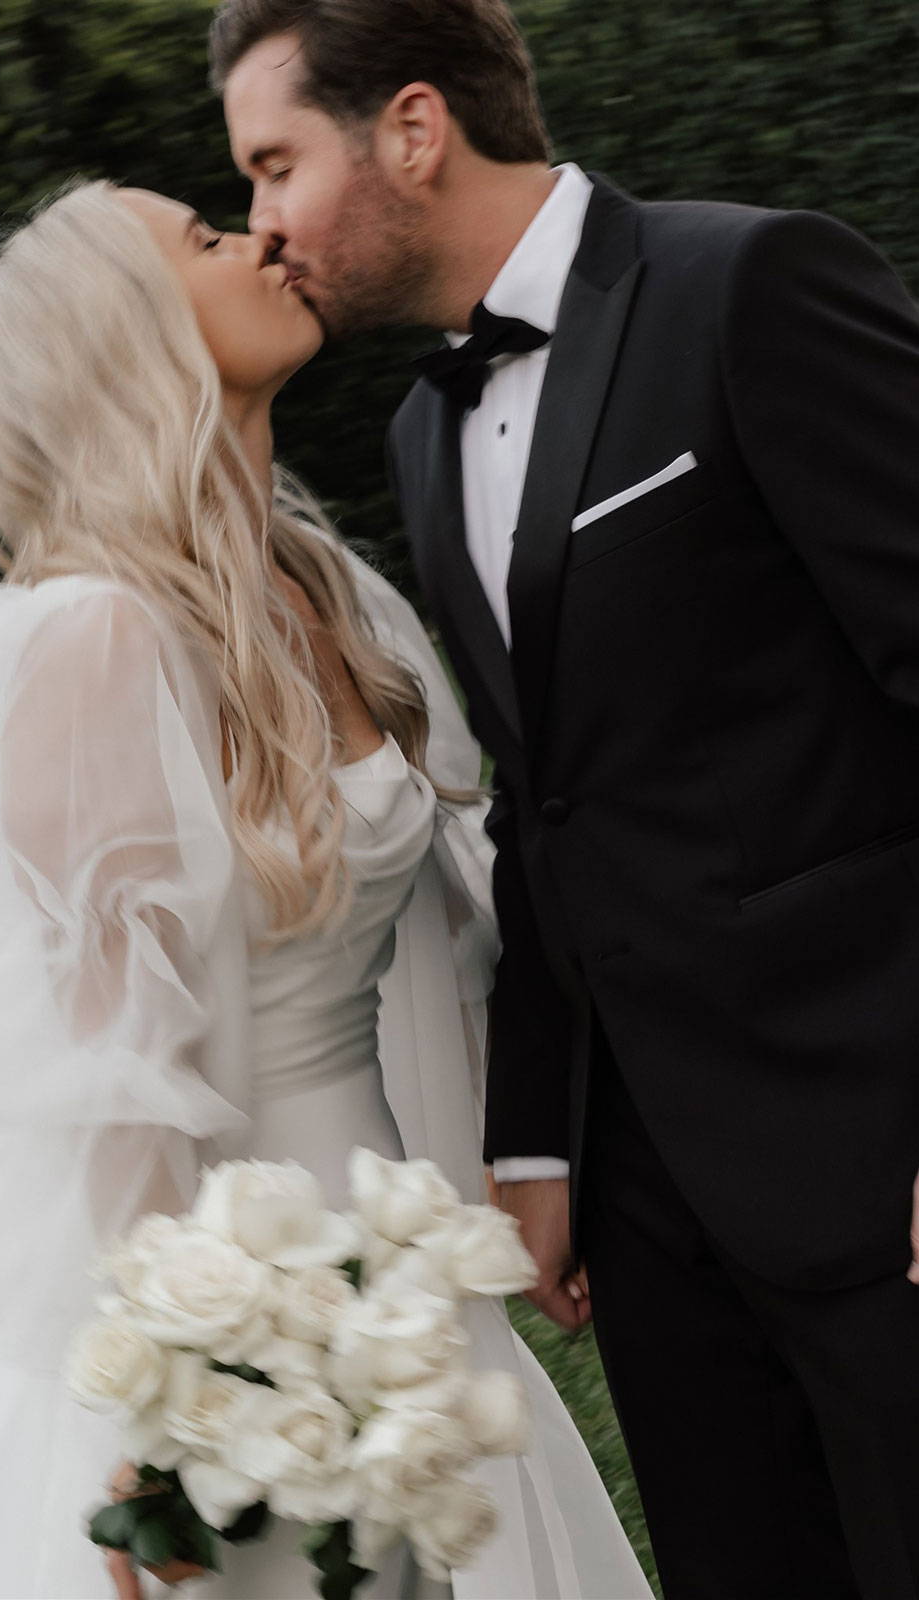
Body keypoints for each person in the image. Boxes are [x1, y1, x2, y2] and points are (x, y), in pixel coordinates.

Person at [0, 182, 651, 1600]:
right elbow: (106, 1082)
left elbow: (474, 924)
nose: (258, 237)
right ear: (128, 337)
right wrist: (174, 1415)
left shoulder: (332, 592)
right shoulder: (89, 642)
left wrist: (539, 1165)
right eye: (202, 238)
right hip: (216, 1313)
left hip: (392, 1276)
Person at [209, 2, 919, 1597]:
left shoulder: (750, 285)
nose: (261, 224)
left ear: (409, 127)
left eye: (273, 165)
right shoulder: (416, 430)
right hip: (653, 1203)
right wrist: (535, 1138)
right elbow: (547, 801)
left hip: (876, 1144)